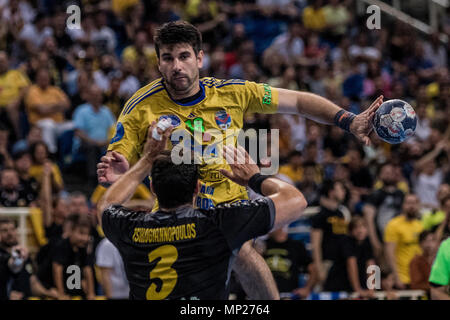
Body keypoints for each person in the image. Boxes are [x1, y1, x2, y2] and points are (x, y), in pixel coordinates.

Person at [97, 21, 383, 299]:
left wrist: (349, 121)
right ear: (159, 62)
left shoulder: (232, 92)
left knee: (245, 254)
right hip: (177, 217)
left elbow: (297, 102)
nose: (176, 66)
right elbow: (120, 163)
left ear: (199, 58)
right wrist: (121, 170)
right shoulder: (139, 107)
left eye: (184, 56)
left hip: (228, 211)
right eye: (167, 58)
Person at [97, 122, 307, 299]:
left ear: (153, 188)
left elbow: (106, 204)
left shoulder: (131, 227)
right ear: (197, 188)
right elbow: (296, 200)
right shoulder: (219, 223)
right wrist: (253, 178)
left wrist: (146, 160)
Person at [311, 179, 350, 284]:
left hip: (341, 263)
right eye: (341, 189)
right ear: (331, 192)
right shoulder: (320, 215)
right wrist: (319, 269)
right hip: (327, 263)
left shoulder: (341, 213)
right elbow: (316, 244)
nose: (344, 191)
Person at [262, 227, 318, 299]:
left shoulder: (296, 246)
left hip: (290, 295)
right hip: (266, 295)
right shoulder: (262, 245)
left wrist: (307, 289)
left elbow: (313, 269)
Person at [51, 213, 96, 300]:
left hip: (71, 286)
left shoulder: (83, 247)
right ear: (71, 231)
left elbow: (87, 269)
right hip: (51, 285)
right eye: (81, 233)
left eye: (87, 234)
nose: (84, 238)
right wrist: (61, 294)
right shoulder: (61, 245)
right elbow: (57, 269)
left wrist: (91, 293)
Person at [384, 194, 424, 289]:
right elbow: (389, 253)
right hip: (402, 278)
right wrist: (396, 277)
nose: (411, 206)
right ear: (403, 205)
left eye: (414, 203)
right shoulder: (393, 225)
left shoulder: (420, 225)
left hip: (417, 278)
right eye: (408, 203)